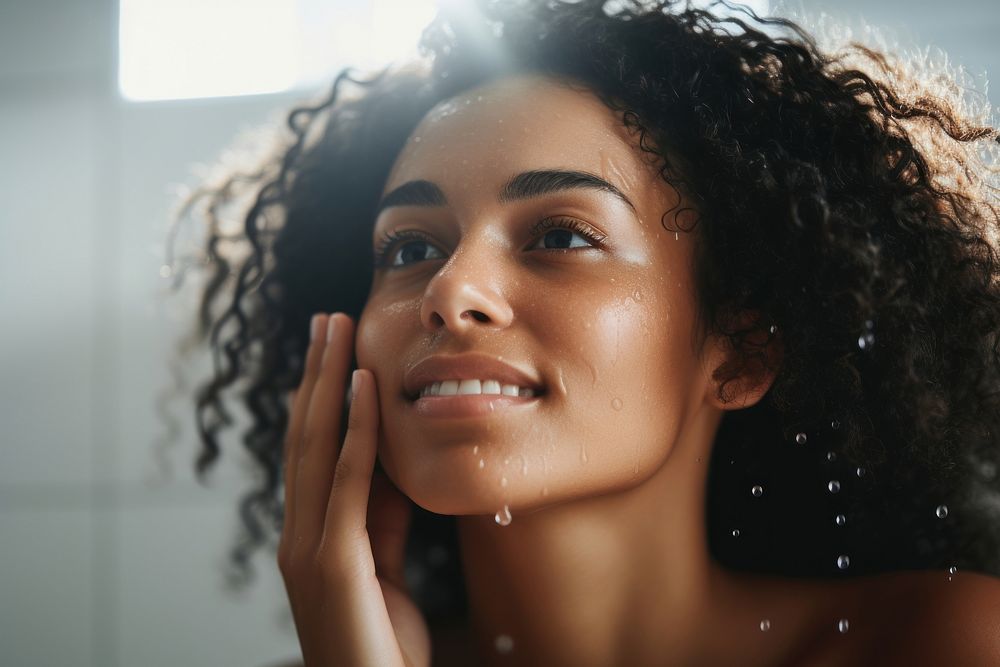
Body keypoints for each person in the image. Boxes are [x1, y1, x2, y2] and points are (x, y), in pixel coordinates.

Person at [172, 0, 1000, 664]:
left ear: (744, 347)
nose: (451, 289)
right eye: (412, 246)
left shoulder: (942, 642)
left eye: (561, 235)